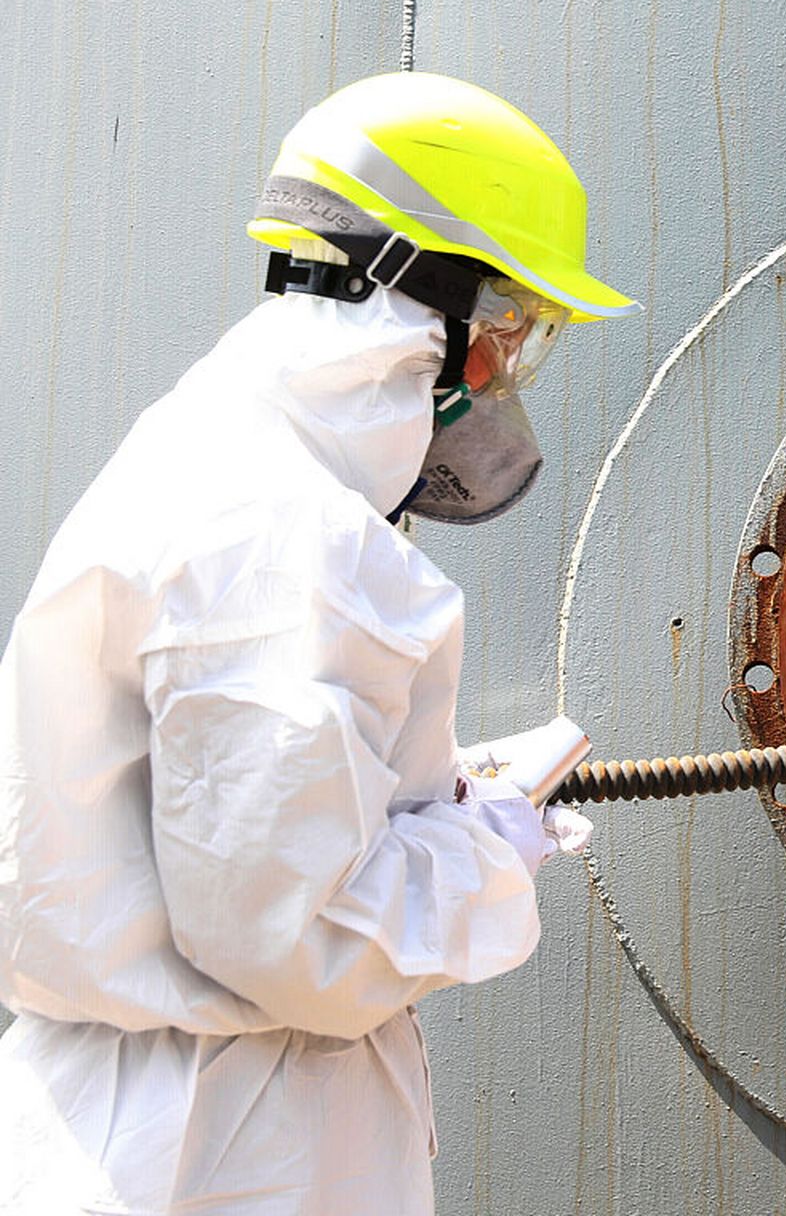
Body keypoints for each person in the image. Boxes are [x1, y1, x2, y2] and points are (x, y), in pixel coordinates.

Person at [0, 72, 636, 1214]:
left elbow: (230, 823)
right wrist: (486, 839)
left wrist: (399, 792)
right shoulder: (287, 531)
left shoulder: (216, 456)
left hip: (164, 1125)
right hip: (222, 1151)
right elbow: (301, 942)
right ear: (425, 306)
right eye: (509, 334)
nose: (497, 374)